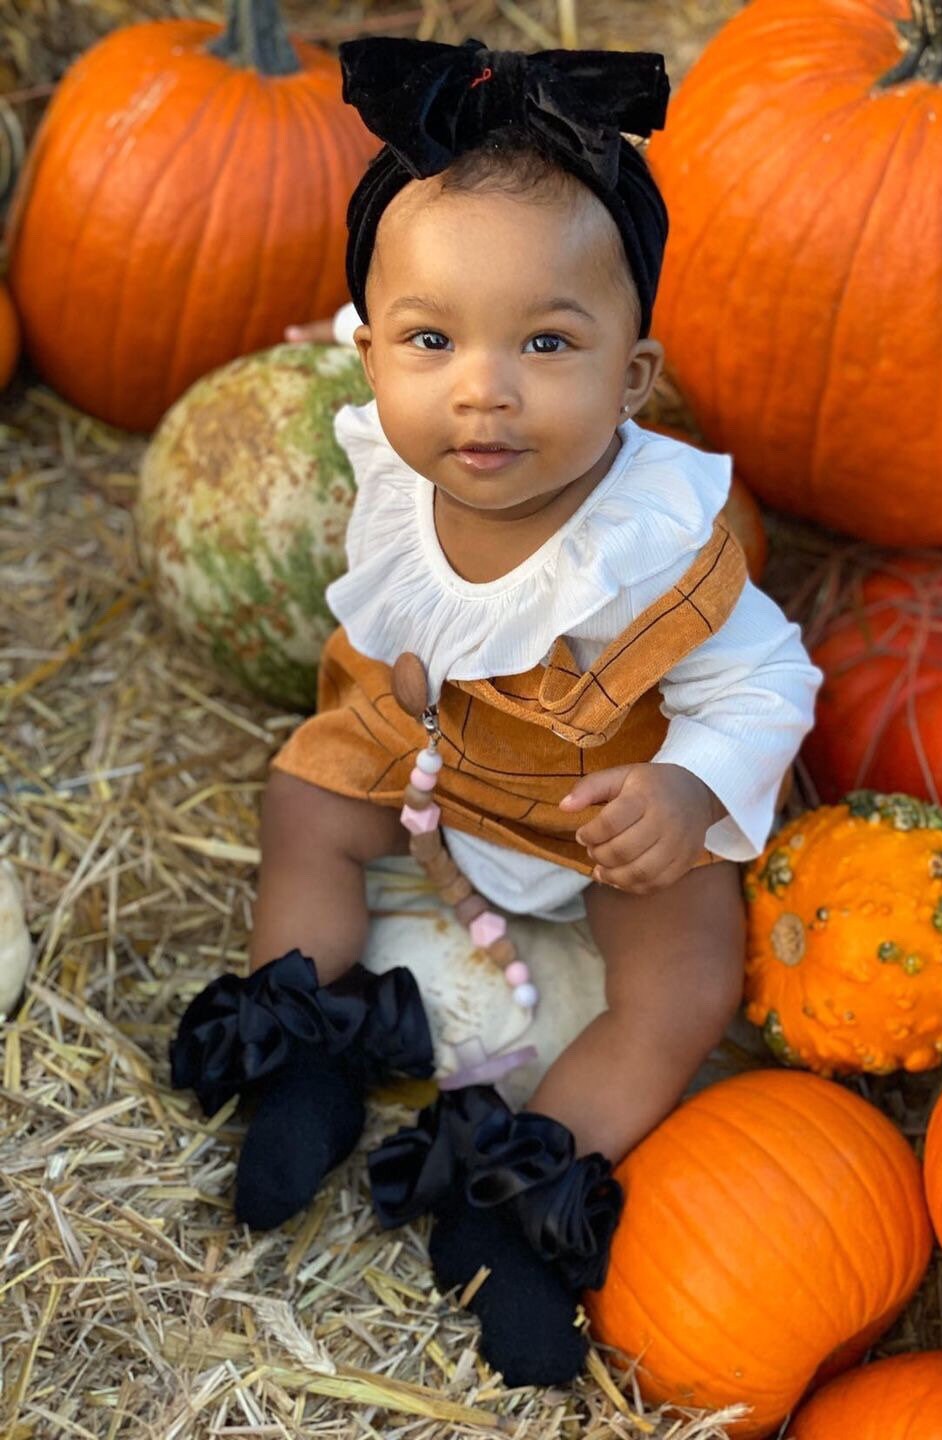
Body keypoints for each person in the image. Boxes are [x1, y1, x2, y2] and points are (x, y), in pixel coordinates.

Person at [171, 36, 823, 1388]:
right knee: (305, 800)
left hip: (607, 801)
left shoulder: (653, 544)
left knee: (689, 980)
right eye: (432, 339)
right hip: (425, 759)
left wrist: (690, 792)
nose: (484, 386)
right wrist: (395, 720)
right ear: (371, 355)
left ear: (631, 378)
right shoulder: (401, 470)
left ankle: (513, 1191)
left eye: (545, 341)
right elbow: (404, 629)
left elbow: (769, 680)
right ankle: (313, 1037)